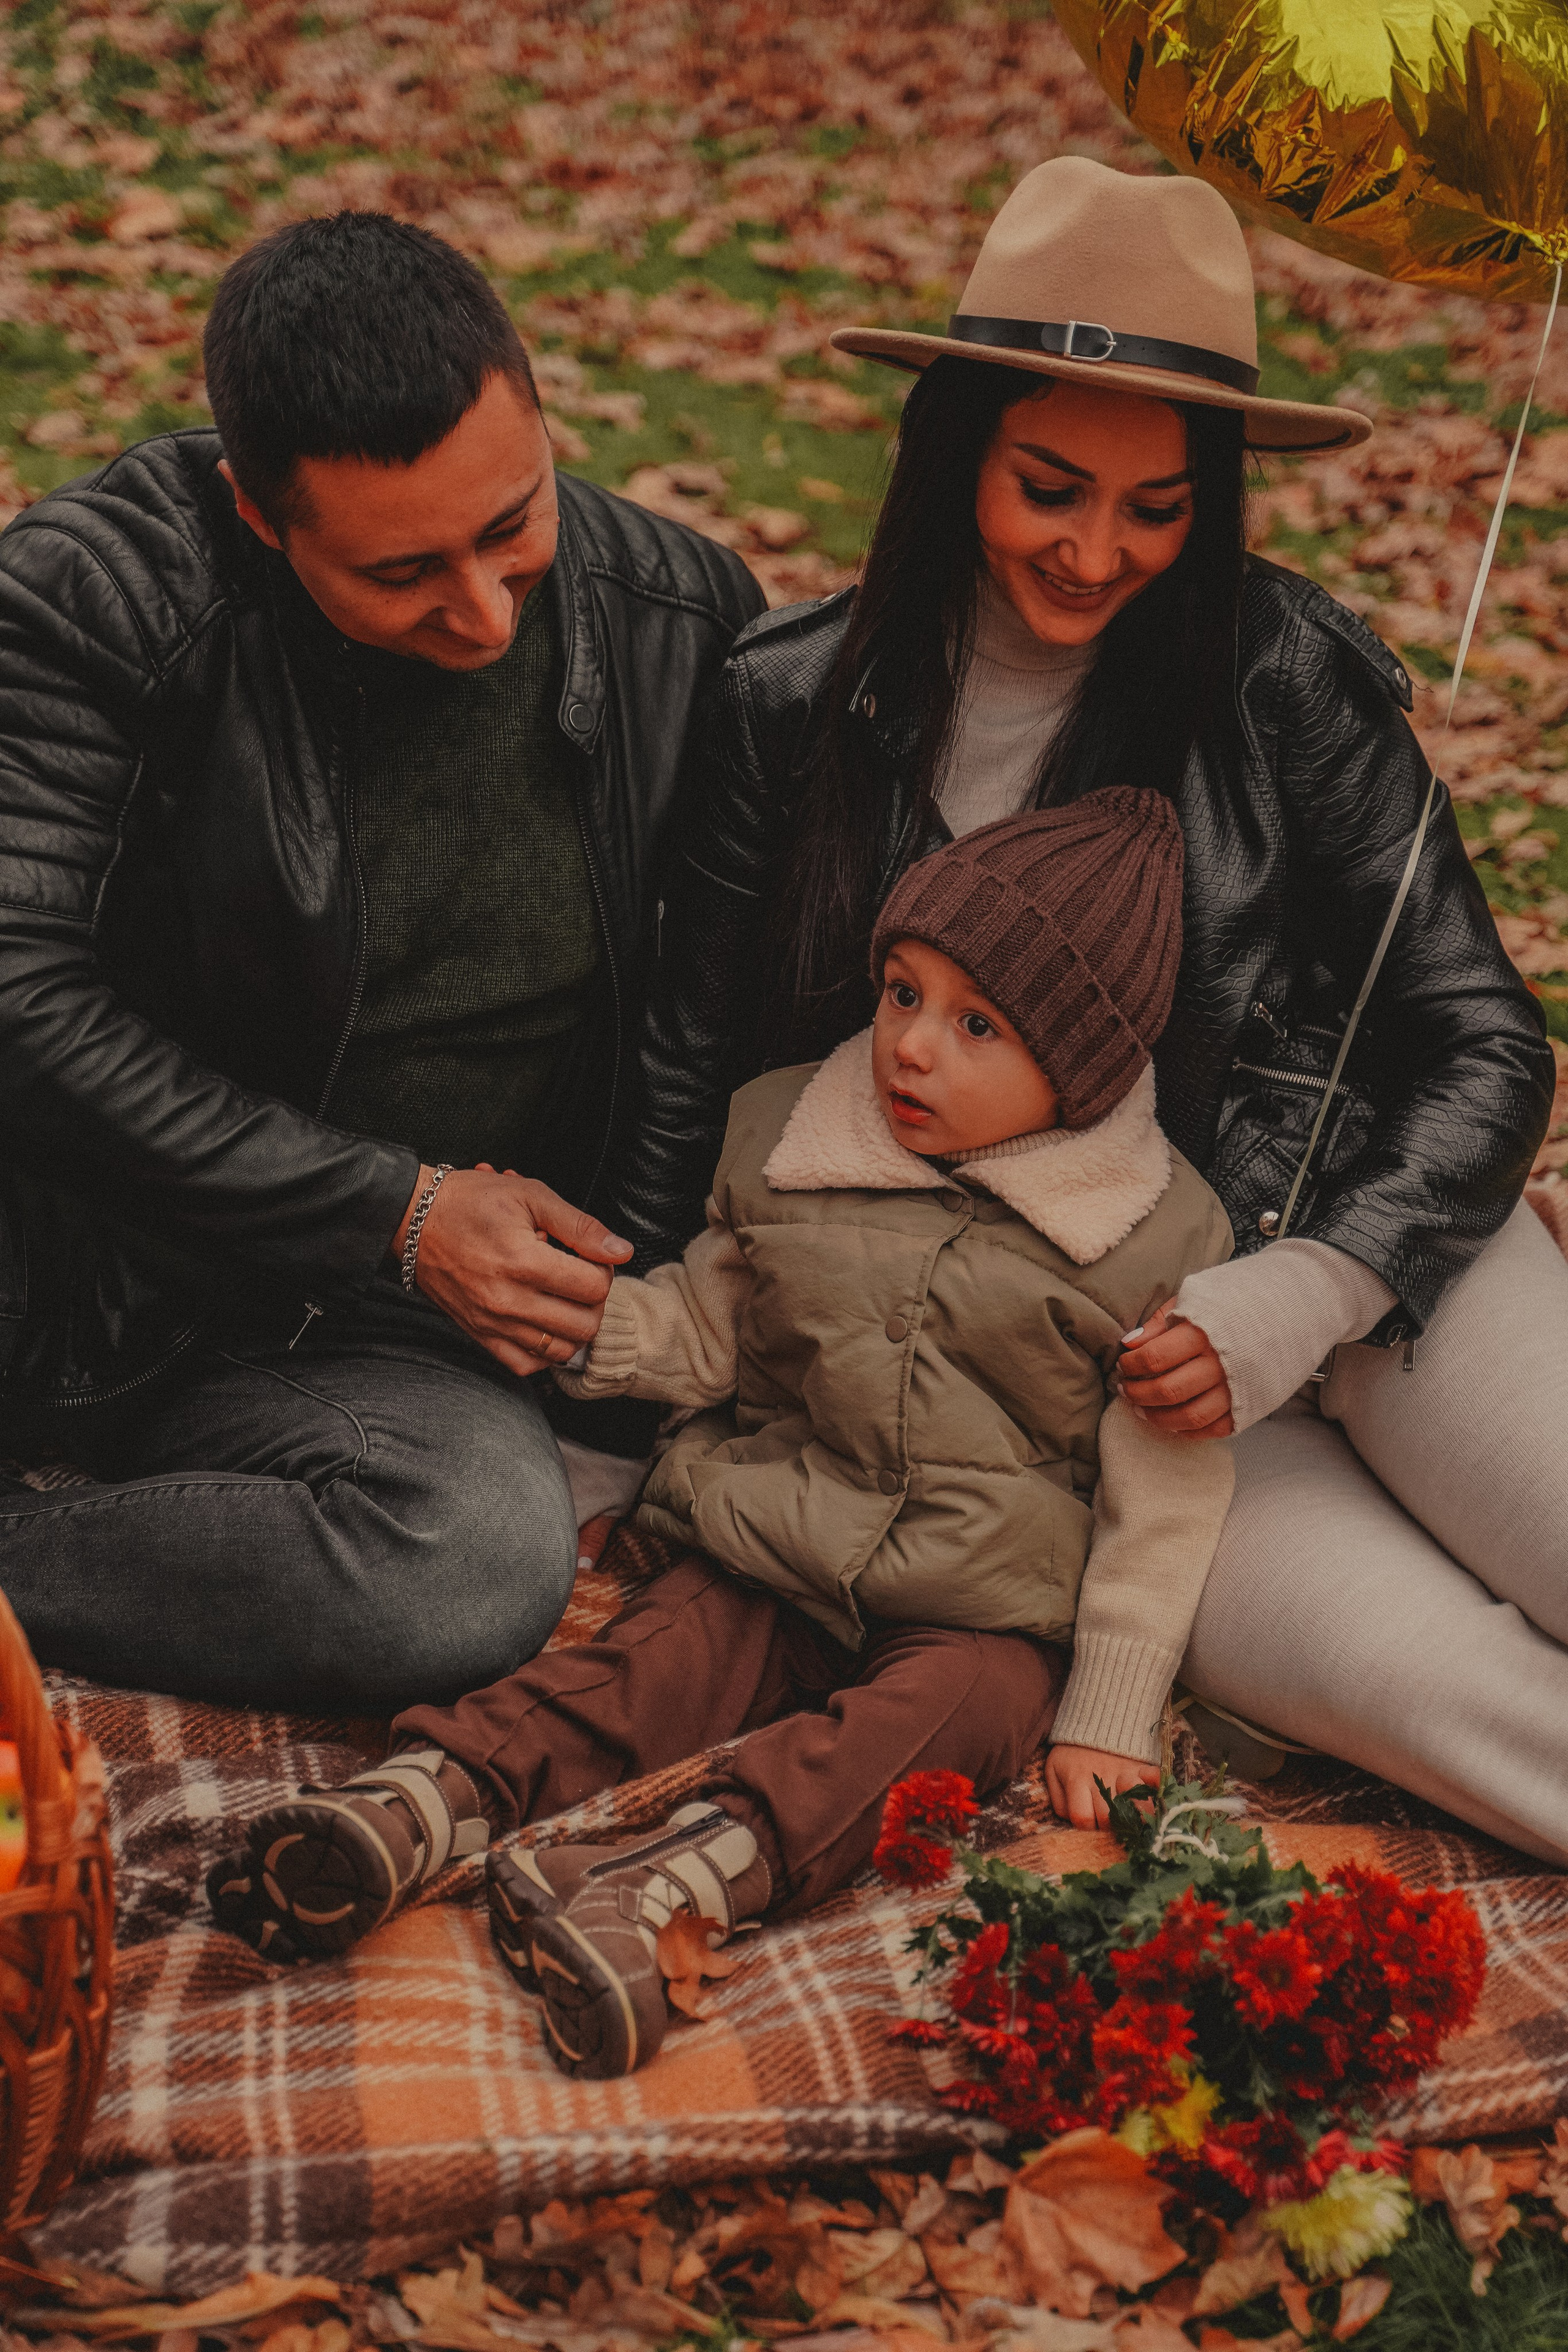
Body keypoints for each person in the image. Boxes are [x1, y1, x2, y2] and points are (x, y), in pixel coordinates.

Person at [609, 155, 1568, 1864]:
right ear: (956, 446)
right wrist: (629, 1384)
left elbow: (1484, 1036)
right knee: (1454, 1712)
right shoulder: (787, 710)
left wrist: (1318, 1282)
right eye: (1051, 485)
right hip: (1086, 1397)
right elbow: (702, 1063)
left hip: (1358, 1256)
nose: (1096, 549)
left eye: (1156, 506)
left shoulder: (1279, 677)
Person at [208, 791, 1235, 2078]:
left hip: (985, 1596)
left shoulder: (1151, 1238)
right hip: (776, 1532)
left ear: (1078, 1073)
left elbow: (1166, 1489)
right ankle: (423, 1805)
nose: (910, 1049)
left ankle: (673, 1880)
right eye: (901, 994)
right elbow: (716, 1326)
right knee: (658, 1662)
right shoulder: (802, 1141)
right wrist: (585, 1327)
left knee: (956, 1723)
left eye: (977, 1027)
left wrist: (1112, 1705)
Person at [0, 211, 763, 1711]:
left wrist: (613, 1338)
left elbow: (699, 1023)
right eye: (404, 571)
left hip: (373, 1345)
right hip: (66, 1251)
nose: (481, 612)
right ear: (255, 512)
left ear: (542, 417)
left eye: (513, 526)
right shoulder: (98, 592)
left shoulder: (686, 620)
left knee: (474, 1559)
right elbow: (15, 989)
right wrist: (397, 1213)